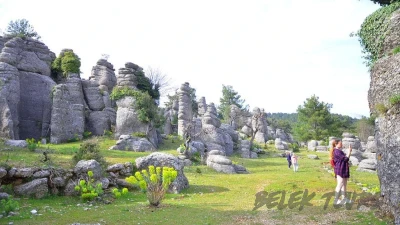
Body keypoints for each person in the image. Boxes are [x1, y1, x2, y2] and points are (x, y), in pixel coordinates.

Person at [331, 140, 352, 205]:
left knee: (344, 184)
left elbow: (345, 159)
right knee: (340, 183)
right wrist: (349, 152)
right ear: (336, 144)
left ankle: (344, 198)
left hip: (343, 168)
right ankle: (336, 200)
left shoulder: (339, 151)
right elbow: (345, 159)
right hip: (340, 169)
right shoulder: (336, 151)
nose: (342, 144)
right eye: (340, 143)